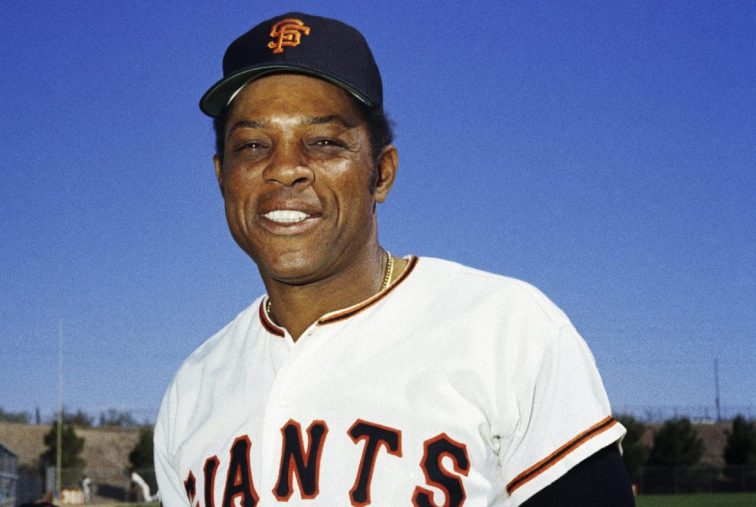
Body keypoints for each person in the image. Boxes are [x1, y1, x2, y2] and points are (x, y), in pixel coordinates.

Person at [154, 12, 633, 506]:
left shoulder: (508, 330)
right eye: (252, 145)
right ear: (222, 176)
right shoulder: (193, 389)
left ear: (381, 173)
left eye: (323, 143)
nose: (286, 169)